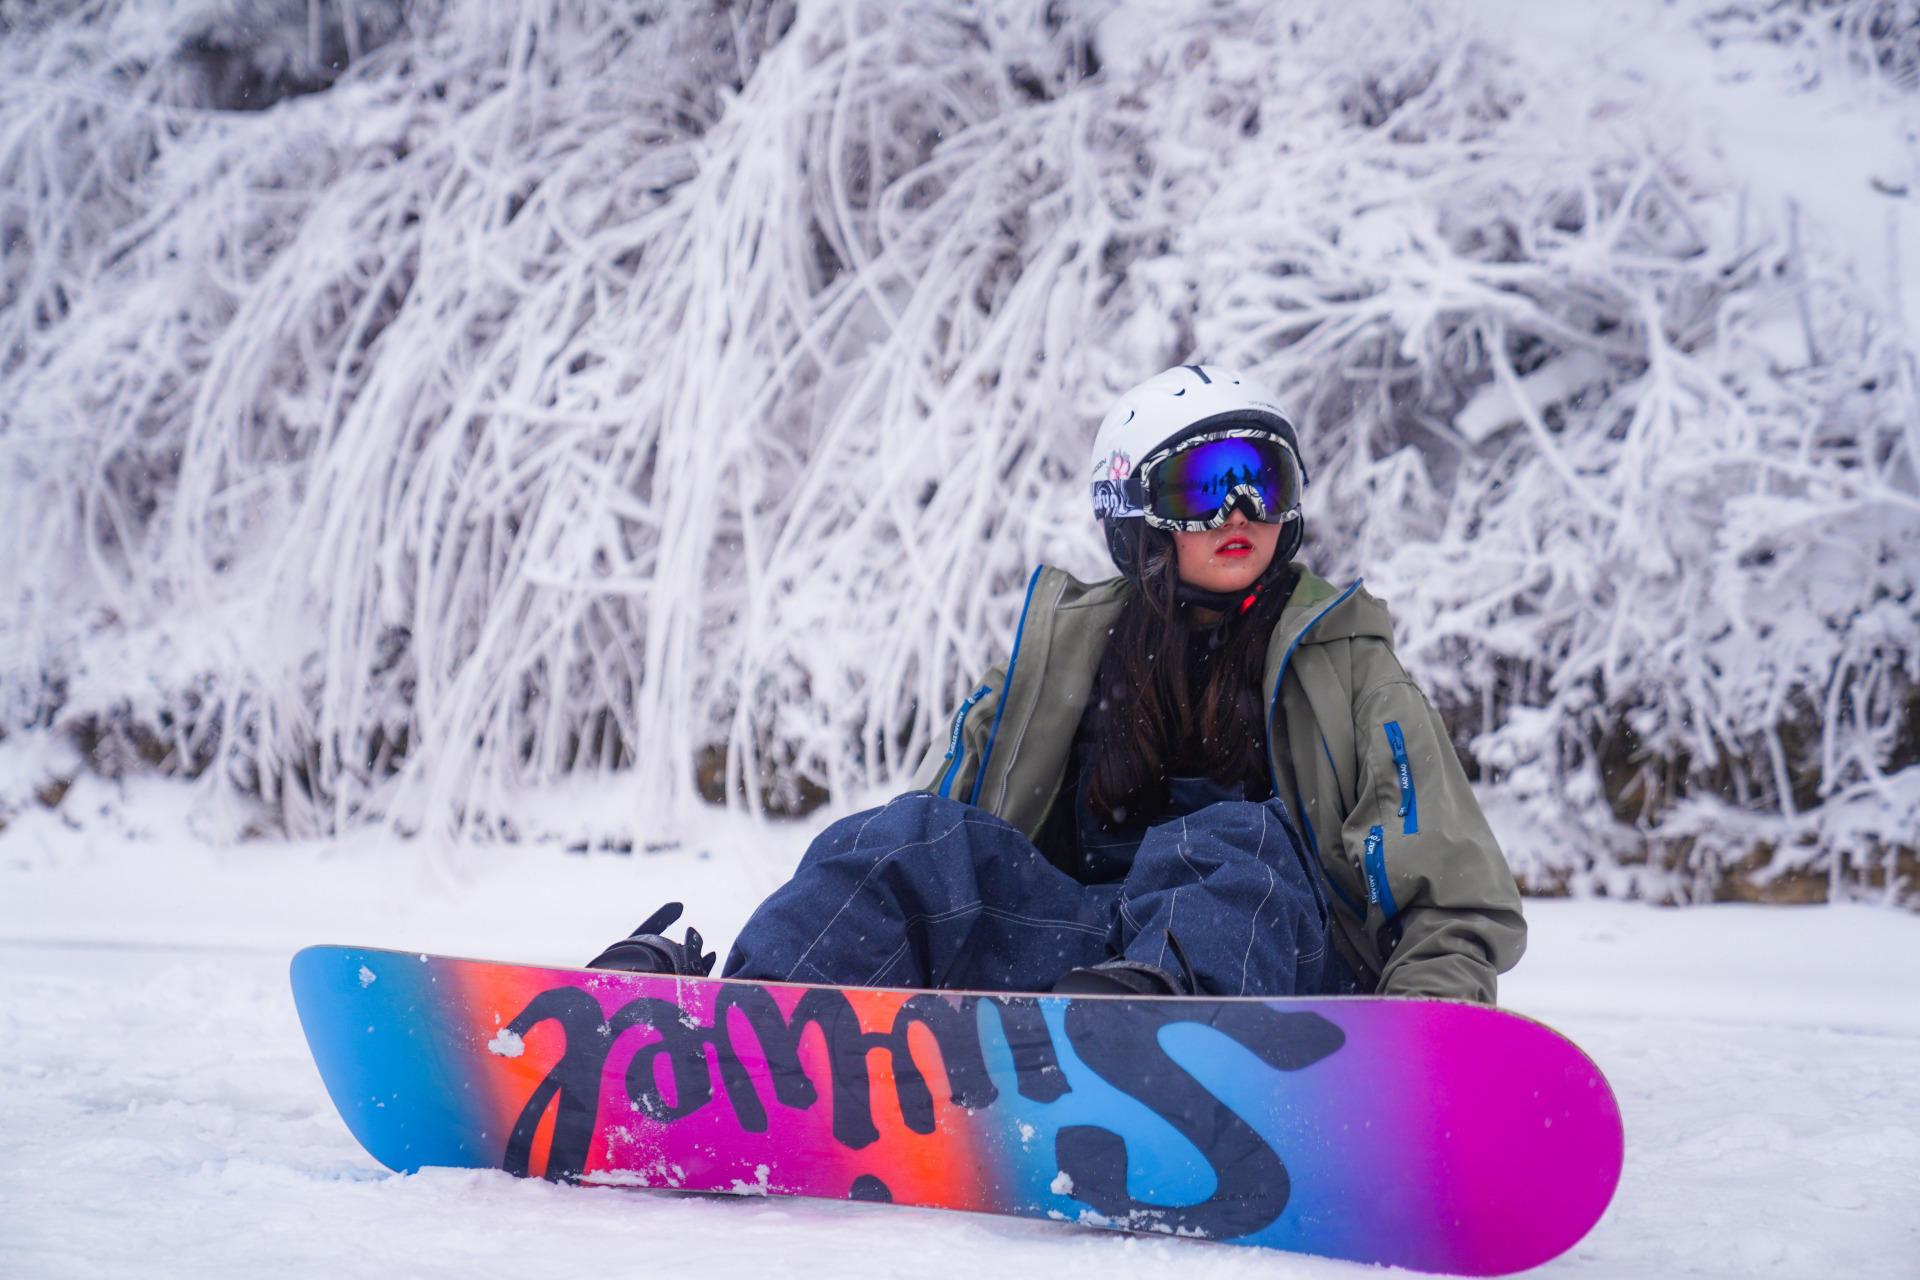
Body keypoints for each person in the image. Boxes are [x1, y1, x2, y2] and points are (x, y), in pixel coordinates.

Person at [590, 366, 1525, 1002]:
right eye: (1206, 486)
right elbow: (940, 843)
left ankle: (1159, 1036)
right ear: (1136, 507)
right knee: (905, 835)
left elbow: (1452, 892)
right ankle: (745, 1024)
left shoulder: (1346, 660)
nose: (1240, 511)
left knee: (1228, 841)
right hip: (1087, 965)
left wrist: (1424, 1043)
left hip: (1278, 983)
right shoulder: (1069, 648)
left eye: (1262, 480)